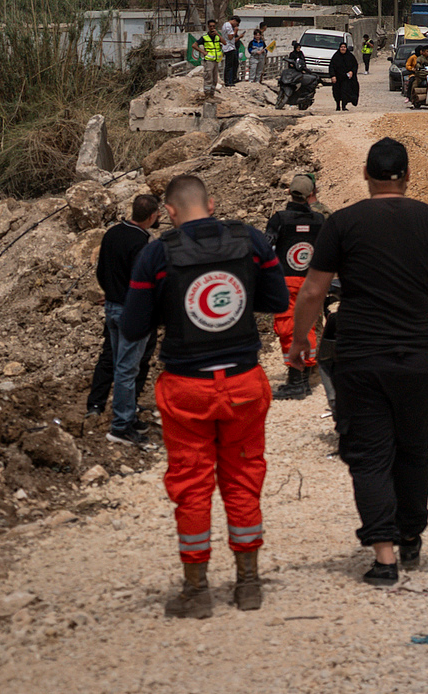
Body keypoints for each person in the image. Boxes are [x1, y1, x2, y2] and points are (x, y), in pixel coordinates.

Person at [286, 137, 428, 587]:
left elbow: (314, 290)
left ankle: (384, 556)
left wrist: (299, 341)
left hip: (360, 356)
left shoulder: (342, 222)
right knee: (413, 448)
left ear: (366, 175)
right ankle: (410, 535)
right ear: (408, 175)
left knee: (369, 454)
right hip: (418, 356)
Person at [120, 174, 290, 617]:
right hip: (243, 383)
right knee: (243, 478)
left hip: (187, 389)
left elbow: (134, 327)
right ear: (211, 204)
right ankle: (248, 585)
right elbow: (276, 300)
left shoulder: (156, 253)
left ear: (169, 212)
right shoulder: (251, 240)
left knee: (191, 485)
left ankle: (196, 592)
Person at [87, 193, 161, 444]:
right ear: (152, 216)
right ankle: (121, 425)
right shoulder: (143, 242)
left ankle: (122, 413)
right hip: (131, 311)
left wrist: (111, 293)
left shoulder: (112, 233)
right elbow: (144, 282)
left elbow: (102, 270)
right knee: (127, 369)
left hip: (112, 307)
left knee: (116, 361)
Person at [265, 174, 330, 401]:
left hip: (286, 282)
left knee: (287, 328)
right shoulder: (319, 220)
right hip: (312, 282)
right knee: (307, 328)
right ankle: (303, 381)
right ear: (311, 193)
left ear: (290, 193)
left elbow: (267, 248)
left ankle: (295, 382)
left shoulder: (279, 219)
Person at [330, 42, 360, 112]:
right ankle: (338, 106)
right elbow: (331, 66)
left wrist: (352, 72)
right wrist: (333, 76)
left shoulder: (350, 56)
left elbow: (355, 65)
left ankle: (344, 106)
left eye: (344, 47)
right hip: (338, 78)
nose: (343, 48)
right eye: (341, 47)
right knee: (337, 92)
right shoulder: (336, 56)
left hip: (346, 79)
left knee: (345, 92)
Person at [198, 20, 224, 97]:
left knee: (215, 79)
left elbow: (224, 42)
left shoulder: (217, 37)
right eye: (210, 26)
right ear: (208, 27)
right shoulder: (205, 37)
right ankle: (207, 94)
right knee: (209, 77)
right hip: (209, 60)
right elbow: (194, 45)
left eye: (213, 26)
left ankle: (212, 94)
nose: (212, 28)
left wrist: (218, 34)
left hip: (216, 60)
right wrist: (203, 52)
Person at [222, 16, 242, 87]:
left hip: (232, 47)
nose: (236, 26)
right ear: (234, 20)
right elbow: (230, 37)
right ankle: (227, 81)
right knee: (229, 65)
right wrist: (235, 31)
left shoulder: (228, 25)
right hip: (228, 48)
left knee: (235, 63)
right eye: (236, 24)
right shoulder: (228, 26)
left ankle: (233, 79)